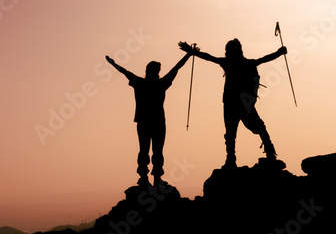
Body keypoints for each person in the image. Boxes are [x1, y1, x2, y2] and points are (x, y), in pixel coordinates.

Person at [179, 39, 287, 169]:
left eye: (227, 50)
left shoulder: (228, 63)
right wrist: (279, 53)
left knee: (232, 133)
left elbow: (208, 57)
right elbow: (264, 59)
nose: (225, 52)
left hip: (231, 103)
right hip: (243, 103)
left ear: (230, 51)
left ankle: (232, 158)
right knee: (255, 127)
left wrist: (191, 52)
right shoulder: (248, 63)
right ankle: (268, 151)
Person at [106, 51, 192, 187]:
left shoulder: (140, 82)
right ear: (157, 72)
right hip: (157, 122)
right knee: (156, 151)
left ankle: (145, 177)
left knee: (145, 150)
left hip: (144, 122)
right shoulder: (160, 83)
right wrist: (188, 54)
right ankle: (155, 178)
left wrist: (113, 64)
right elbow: (176, 68)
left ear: (148, 71)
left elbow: (124, 71)